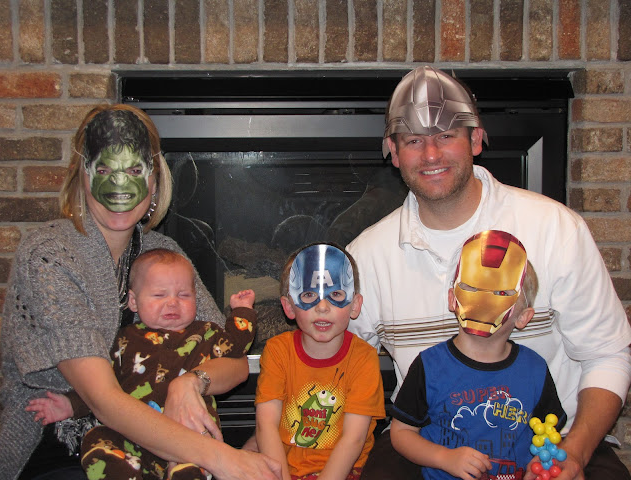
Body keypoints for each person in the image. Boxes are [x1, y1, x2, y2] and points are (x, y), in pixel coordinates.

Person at [346, 66, 631, 480]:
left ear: (476, 139)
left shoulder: (555, 229)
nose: (431, 155)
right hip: (427, 446)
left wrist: (575, 452)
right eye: (413, 140)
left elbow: (607, 354)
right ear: (392, 149)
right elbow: (332, 363)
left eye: (447, 136)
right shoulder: (368, 257)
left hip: (554, 441)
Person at [0, 104, 281, 480]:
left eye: (134, 170)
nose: (120, 185)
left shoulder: (164, 254)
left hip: (168, 445)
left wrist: (191, 381)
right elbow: (103, 401)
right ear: (82, 175)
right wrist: (224, 459)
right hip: (66, 446)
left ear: (154, 181)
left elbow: (236, 363)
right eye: (105, 170)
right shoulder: (49, 255)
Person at [26, 248, 258, 479]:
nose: (172, 303)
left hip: (192, 434)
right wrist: (71, 404)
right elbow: (104, 384)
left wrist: (242, 311)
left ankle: (184, 473)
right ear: (134, 301)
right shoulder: (124, 340)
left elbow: (236, 346)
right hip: (136, 437)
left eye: (184, 295)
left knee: (193, 462)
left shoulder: (206, 333)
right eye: (159, 295)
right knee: (97, 439)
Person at [390, 230, 567, 480]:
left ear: (523, 317)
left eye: (501, 293)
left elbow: (549, 434)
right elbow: (401, 432)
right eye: (471, 287)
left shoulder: (534, 370)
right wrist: (444, 458)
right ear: (453, 299)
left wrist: (542, 464)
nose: (483, 302)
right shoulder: (429, 366)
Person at [255, 244, 386, 480]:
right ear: (289, 307)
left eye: (335, 295)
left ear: (355, 305)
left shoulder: (363, 358)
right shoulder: (277, 351)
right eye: (308, 295)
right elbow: (266, 425)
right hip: (283, 469)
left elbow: (354, 439)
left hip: (344, 471)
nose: (323, 307)